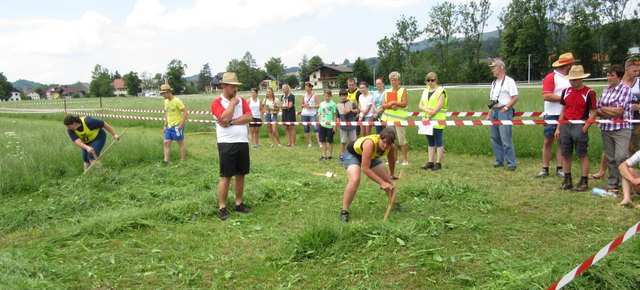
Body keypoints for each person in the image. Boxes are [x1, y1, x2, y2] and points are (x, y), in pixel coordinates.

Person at [210, 72, 253, 221]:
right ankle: (222, 207)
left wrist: (232, 122)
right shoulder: (216, 103)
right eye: (233, 86)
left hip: (242, 141)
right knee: (226, 176)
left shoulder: (242, 100)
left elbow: (249, 116)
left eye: (236, 86)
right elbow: (223, 119)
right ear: (224, 86)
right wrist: (233, 104)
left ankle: (238, 203)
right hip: (226, 143)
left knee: (241, 174)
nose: (236, 89)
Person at [589, 57, 640, 179]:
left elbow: (618, 109)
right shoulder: (612, 86)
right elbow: (599, 108)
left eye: (638, 71)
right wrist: (608, 110)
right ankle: (603, 172)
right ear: (627, 69)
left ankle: (627, 176)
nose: (637, 73)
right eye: (635, 70)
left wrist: (637, 107)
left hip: (635, 121)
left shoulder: (637, 84)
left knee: (630, 150)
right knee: (609, 151)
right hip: (612, 124)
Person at [340, 127, 398, 222]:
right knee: (355, 180)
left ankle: (395, 204)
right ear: (379, 138)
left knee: (388, 180)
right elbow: (365, 169)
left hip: (371, 156)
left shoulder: (391, 147)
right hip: (353, 154)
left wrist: (391, 174)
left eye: (388, 143)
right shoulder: (370, 143)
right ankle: (344, 211)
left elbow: (391, 159)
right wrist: (381, 183)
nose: (385, 145)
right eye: (383, 142)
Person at [554, 65, 597, 191]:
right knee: (565, 154)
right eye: (571, 80)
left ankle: (584, 181)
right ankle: (567, 179)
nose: (572, 82)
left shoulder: (589, 92)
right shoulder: (566, 92)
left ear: (581, 79)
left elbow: (593, 112)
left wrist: (585, 128)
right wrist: (558, 127)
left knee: (582, 154)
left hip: (579, 125)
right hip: (566, 125)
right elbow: (563, 110)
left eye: (575, 80)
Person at [537, 53, 575, 178]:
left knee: (562, 142)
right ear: (567, 65)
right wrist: (565, 99)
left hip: (565, 115)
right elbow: (546, 96)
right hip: (552, 114)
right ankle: (545, 168)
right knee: (548, 141)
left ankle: (560, 168)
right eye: (571, 64)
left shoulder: (571, 78)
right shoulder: (551, 77)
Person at [596, 65, 633, 191]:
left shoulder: (625, 90)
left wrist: (604, 109)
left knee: (621, 157)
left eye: (612, 75)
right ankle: (613, 184)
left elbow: (619, 111)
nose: (609, 78)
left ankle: (627, 182)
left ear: (619, 77)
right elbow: (597, 110)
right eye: (608, 75)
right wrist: (607, 110)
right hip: (606, 128)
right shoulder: (606, 91)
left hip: (621, 128)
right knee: (611, 158)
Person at [486, 59, 519, 171]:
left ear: (500, 68)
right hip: (494, 111)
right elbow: (493, 100)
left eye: (493, 67)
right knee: (494, 137)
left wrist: (506, 108)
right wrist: (489, 112)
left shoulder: (509, 81)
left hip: (504, 111)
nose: (492, 70)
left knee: (506, 137)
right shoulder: (494, 83)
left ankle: (511, 162)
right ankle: (499, 160)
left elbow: (515, 97)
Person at [418, 72, 448, 171]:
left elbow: (439, 105)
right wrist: (428, 112)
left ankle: (438, 163)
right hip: (426, 119)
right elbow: (420, 105)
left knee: (438, 140)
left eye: (432, 80)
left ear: (436, 80)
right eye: (428, 80)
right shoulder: (425, 91)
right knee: (430, 141)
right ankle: (430, 162)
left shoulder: (441, 91)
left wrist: (430, 115)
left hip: (437, 120)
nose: (430, 82)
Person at [382, 71, 410, 166]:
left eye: (395, 80)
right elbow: (383, 105)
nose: (393, 82)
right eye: (391, 80)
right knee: (390, 140)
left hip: (400, 119)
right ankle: (394, 159)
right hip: (390, 119)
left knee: (402, 140)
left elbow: (404, 103)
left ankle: (405, 160)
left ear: (398, 81)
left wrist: (395, 102)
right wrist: (389, 106)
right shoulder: (387, 91)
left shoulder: (403, 90)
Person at [162, 83, 188, 164]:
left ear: (169, 92)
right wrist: (165, 125)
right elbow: (166, 113)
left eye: (163, 93)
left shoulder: (177, 101)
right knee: (166, 143)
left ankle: (183, 160)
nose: (162, 95)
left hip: (177, 126)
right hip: (169, 127)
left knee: (180, 143)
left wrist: (181, 125)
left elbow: (186, 112)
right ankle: (166, 161)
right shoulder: (165, 101)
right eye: (161, 93)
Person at [337, 89, 360, 163]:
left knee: (353, 142)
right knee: (343, 142)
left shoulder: (351, 103)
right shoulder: (338, 105)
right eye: (342, 96)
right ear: (340, 96)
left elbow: (358, 110)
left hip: (352, 126)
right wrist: (338, 123)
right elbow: (337, 116)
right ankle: (342, 156)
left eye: (345, 96)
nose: (343, 97)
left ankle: (354, 155)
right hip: (343, 127)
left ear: (347, 96)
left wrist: (350, 110)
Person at [318, 89, 337, 160]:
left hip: (330, 125)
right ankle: (324, 155)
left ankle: (330, 155)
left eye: (328, 96)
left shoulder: (333, 104)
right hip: (322, 125)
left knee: (330, 141)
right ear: (323, 96)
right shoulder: (321, 104)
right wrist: (320, 122)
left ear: (330, 96)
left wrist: (335, 125)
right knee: (323, 141)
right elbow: (319, 113)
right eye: (325, 96)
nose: (327, 97)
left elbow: (335, 115)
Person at [301, 82, 321, 148]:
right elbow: (301, 105)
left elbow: (318, 105)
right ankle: (309, 143)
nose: (305, 88)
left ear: (310, 88)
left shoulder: (315, 95)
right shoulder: (303, 95)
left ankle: (319, 143)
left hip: (312, 114)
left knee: (315, 127)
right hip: (304, 114)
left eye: (307, 87)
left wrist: (311, 106)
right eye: (305, 87)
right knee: (306, 128)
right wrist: (304, 105)